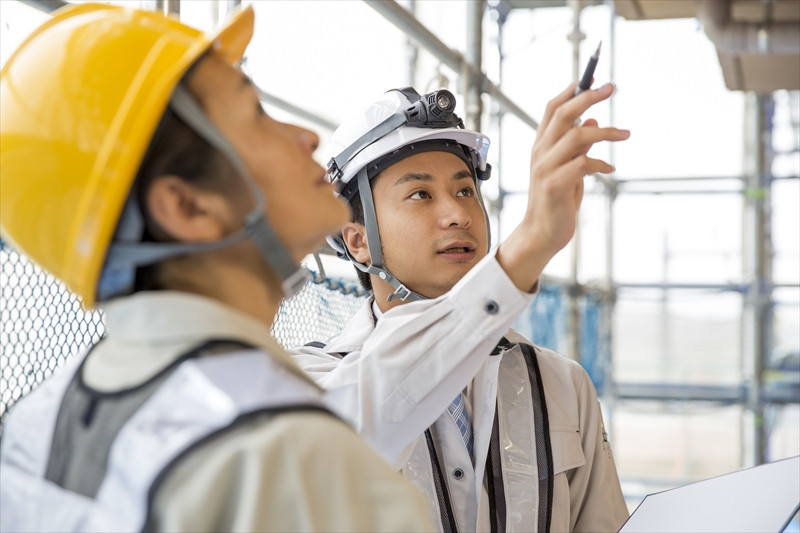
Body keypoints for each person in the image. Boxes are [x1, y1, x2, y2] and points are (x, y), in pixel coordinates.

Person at [0, 4, 433, 532]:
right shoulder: (292, 464)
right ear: (189, 208)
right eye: (256, 113)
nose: (306, 136)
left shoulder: (33, 425)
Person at [292, 85, 631, 532]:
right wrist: (531, 243)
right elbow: (374, 410)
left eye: (466, 191)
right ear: (358, 241)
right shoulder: (309, 381)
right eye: (420, 195)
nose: (457, 214)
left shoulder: (561, 383)